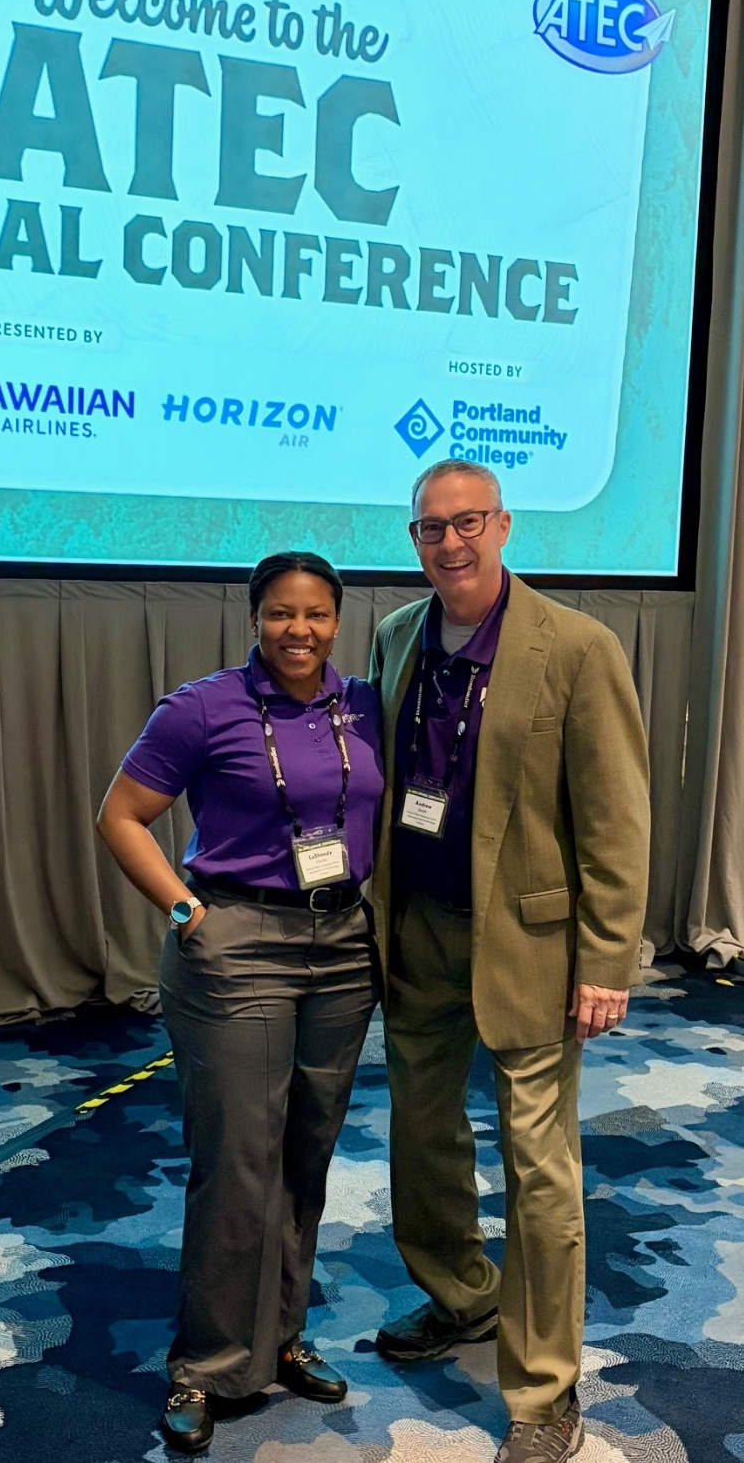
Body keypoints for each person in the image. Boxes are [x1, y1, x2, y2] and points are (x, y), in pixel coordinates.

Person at [369, 459, 650, 1463]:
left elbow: (615, 820)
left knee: (538, 1169)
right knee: (421, 1135)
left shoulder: (573, 647)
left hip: (530, 948)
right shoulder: (396, 636)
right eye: (429, 527)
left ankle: (541, 1393)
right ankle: (458, 1297)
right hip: (417, 939)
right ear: (413, 538)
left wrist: (606, 958)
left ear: (502, 525)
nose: (449, 542)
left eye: (467, 521)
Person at [97, 551, 381, 1455]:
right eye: (282, 614)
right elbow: (120, 813)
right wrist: (187, 913)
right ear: (255, 616)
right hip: (238, 946)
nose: (300, 630)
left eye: (318, 614)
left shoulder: (365, 705)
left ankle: (283, 1337)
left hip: (341, 949)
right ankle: (210, 1361)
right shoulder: (204, 706)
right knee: (237, 1157)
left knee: (307, 1148)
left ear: (339, 619)